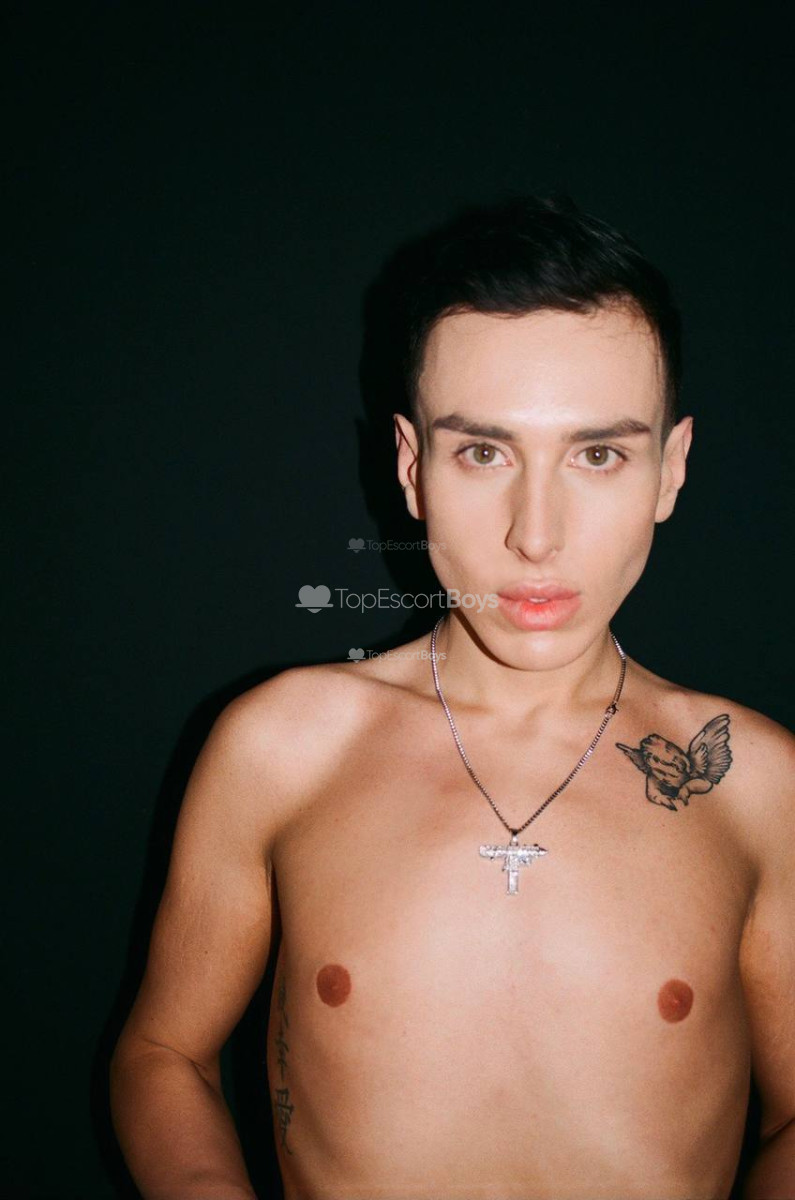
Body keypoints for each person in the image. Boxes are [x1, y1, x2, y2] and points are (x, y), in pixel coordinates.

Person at [110, 196, 794, 1200]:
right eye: (483, 452)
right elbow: (162, 1054)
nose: (535, 534)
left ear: (670, 469)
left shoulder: (761, 788)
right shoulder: (282, 747)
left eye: (597, 454)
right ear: (412, 467)